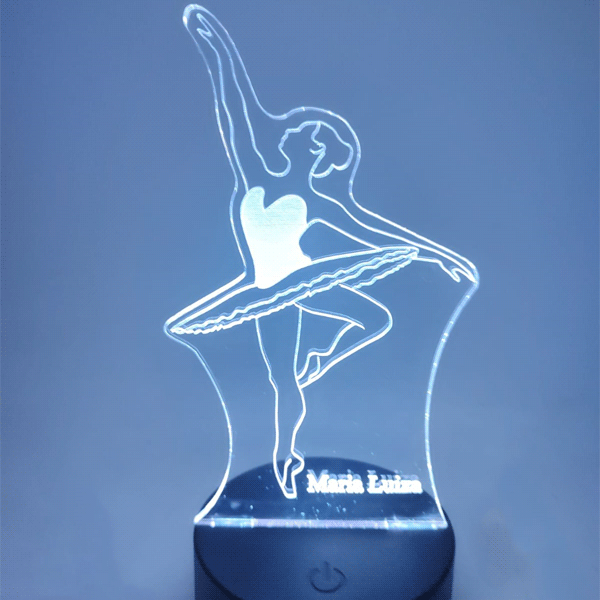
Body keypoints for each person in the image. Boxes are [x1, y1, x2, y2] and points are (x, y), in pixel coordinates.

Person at [166, 6, 478, 497]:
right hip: (266, 289)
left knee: (376, 319)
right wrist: (218, 48)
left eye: (303, 131)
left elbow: (376, 230)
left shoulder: (319, 202)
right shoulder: (253, 172)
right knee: (281, 380)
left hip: (304, 280)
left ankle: (324, 357)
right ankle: (285, 456)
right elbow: (233, 109)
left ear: (314, 152)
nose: (291, 130)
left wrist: (438, 254)